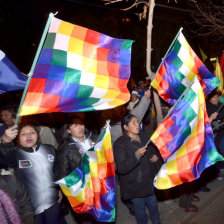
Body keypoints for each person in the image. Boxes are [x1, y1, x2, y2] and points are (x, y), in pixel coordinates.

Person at [0, 125, 65, 224]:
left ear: (38, 136)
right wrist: (5, 141)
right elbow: (6, 156)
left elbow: (57, 172)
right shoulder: (16, 155)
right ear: (18, 139)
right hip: (31, 208)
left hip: (53, 203)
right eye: (24, 134)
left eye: (32, 132)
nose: (29, 136)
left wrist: (60, 190)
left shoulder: (49, 149)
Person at [113, 114, 162, 224]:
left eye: (137, 122)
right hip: (134, 186)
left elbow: (151, 150)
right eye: (133, 123)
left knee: (153, 205)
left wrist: (154, 157)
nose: (137, 125)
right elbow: (121, 168)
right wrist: (136, 156)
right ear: (126, 127)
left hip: (148, 181)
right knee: (140, 211)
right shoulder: (120, 144)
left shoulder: (143, 136)